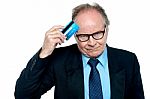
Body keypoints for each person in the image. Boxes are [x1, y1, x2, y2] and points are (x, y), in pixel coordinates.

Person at [14, 3, 145, 99]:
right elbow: (23, 95)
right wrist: (44, 53)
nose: (92, 43)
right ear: (74, 35)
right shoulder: (60, 60)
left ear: (107, 30)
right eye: (83, 36)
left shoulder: (128, 60)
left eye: (98, 34)